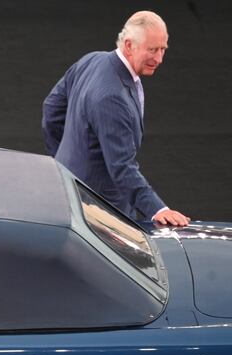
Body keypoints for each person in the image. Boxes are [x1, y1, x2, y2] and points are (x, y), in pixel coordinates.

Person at [42, 11, 190, 226]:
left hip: (69, 192)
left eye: (163, 49)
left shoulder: (91, 60)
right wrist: (157, 209)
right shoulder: (112, 96)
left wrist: (65, 162)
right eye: (152, 50)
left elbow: (51, 111)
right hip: (100, 212)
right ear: (129, 46)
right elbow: (121, 166)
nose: (159, 58)